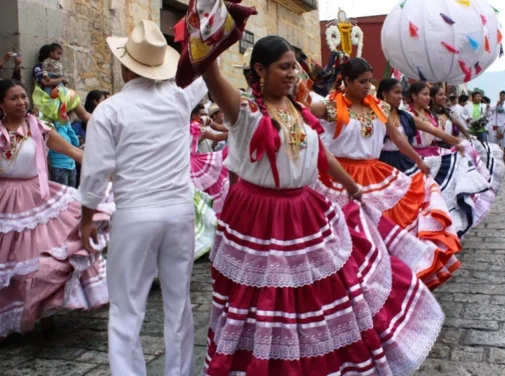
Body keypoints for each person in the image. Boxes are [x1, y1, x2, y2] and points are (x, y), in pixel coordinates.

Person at [199, 33, 444, 376]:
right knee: (266, 298)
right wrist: (209, 27)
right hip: (260, 217)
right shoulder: (245, 110)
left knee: (320, 289)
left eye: (294, 69)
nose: (292, 75)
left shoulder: (297, 109)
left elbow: (321, 153)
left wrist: (351, 186)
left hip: (303, 209)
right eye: (284, 68)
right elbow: (209, 72)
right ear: (260, 69)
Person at [79, 20, 208, 375]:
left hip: (135, 213)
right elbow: (206, 70)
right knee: (178, 303)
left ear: (126, 65)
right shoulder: (181, 98)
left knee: (126, 307)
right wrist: (203, 34)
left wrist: (87, 217)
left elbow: (95, 171)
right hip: (179, 211)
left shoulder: (109, 110)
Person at [311, 59, 461, 288]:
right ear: (347, 81)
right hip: (339, 175)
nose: (366, 86)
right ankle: (352, 281)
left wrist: (418, 160)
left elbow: (398, 138)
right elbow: (299, 113)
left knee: (385, 226)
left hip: (373, 172)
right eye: (361, 82)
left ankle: (385, 278)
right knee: (348, 232)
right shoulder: (331, 106)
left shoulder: (378, 107)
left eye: (369, 81)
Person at [0, 79, 110, 340]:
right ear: (1, 104)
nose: (21, 102)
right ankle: (8, 318)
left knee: (41, 255)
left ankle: (45, 313)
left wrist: (103, 168)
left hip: (36, 196)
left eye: (23, 97)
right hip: (5, 199)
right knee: (8, 260)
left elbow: (71, 149)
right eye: (14, 98)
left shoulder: (37, 128)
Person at [377, 78, 497, 237]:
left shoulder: (405, 116)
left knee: (417, 199)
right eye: (396, 92)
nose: (400, 96)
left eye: (401, 92)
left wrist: (458, 141)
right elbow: (397, 140)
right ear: (384, 94)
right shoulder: (375, 114)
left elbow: (433, 130)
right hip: (383, 163)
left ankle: (413, 235)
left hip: (405, 159)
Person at [489, 91, 505, 161]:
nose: (502, 97)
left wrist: (502, 104)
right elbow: (490, 108)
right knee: (495, 140)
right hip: (496, 124)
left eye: (503, 96)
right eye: (500, 95)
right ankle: (497, 154)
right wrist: (497, 104)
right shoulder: (497, 103)